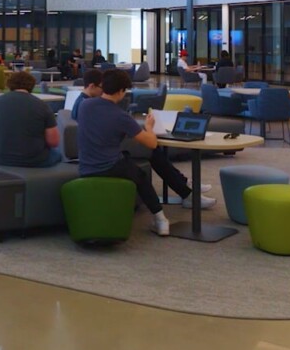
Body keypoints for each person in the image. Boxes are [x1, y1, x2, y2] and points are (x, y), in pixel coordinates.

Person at [76, 69, 213, 236]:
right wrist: (149, 127)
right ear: (121, 91)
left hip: (86, 164)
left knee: (146, 158)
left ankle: (181, 196)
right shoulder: (121, 116)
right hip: (108, 165)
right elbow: (152, 142)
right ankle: (161, 217)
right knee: (140, 175)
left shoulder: (85, 105)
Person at [0, 70, 62, 167]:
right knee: (58, 154)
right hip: (35, 161)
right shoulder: (42, 105)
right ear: (31, 85)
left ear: (10, 84)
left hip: (2, 160)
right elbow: (54, 142)